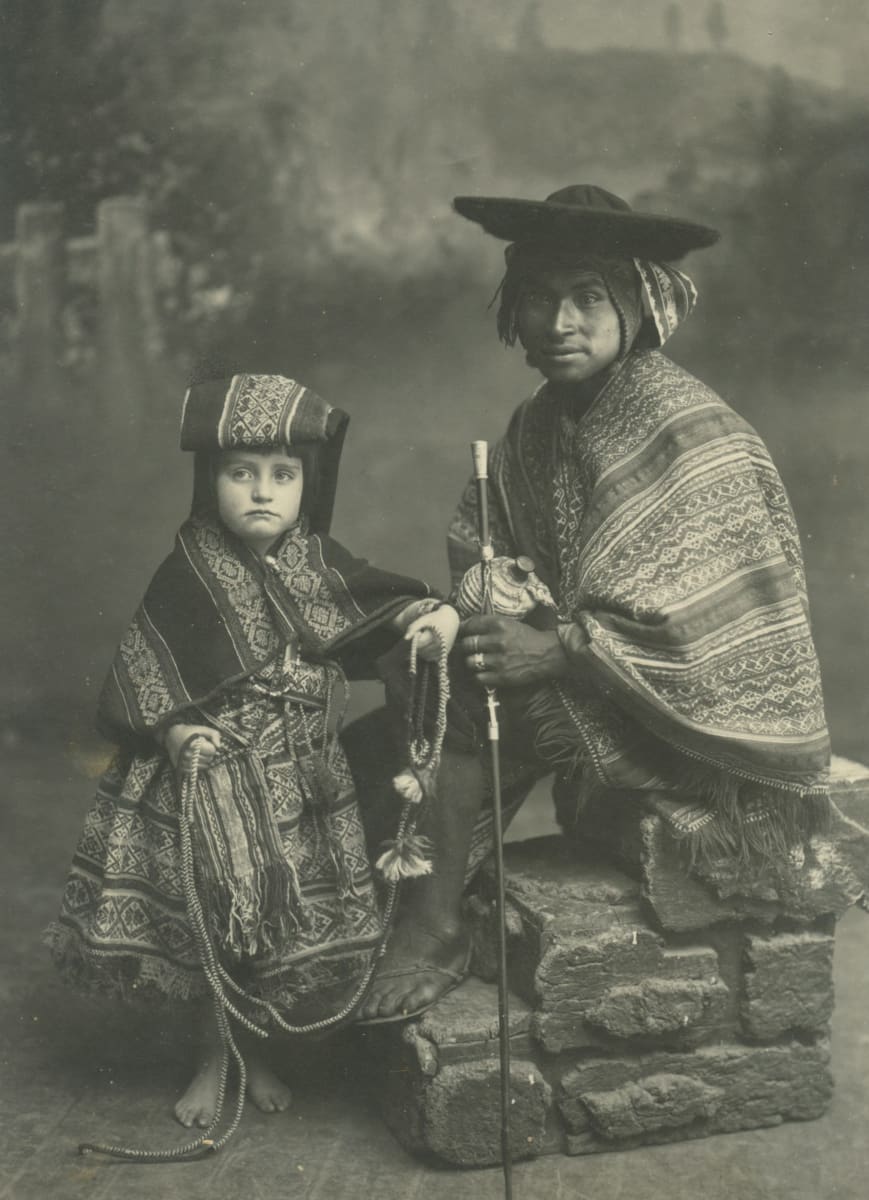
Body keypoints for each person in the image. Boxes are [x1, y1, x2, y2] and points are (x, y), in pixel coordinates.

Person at [355, 184, 831, 1023]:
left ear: (639, 304)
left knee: (459, 697)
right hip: (604, 680)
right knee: (415, 679)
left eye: (586, 297)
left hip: (703, 722)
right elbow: (487, 544)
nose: (557, 322)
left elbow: (706, 622)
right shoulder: (539, 422)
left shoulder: (684, 426)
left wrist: (560, 648)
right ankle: (366, 910)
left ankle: (433, 929)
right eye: (539, 297)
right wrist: (475, 607)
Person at [46, 373, 460, 1127]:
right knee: (219, 918)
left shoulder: (318, 566)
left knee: (275, 926)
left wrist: (435, 621)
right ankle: (212, 1056)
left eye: (282, 475)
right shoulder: (191, 571)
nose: (261, 492)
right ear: (212, 481)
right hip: (209, 779)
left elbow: (389, 608)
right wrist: (174, 730)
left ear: (307, 482)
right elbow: (142, 673)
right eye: (241, 474)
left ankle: (258, 1050)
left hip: (300, 780)